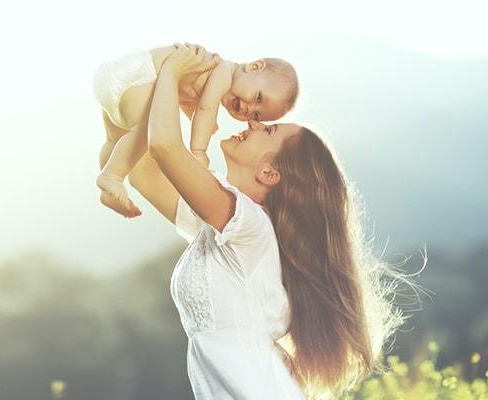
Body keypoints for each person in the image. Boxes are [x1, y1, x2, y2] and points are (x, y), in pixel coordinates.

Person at [125, 43, 412, 399]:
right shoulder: (225, 230)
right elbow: (141, 173)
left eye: (269, 131)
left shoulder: (248, 225)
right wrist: (159, 97)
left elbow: (165, 148)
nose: (254, 122)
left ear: (268, 172)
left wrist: (169, 71)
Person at [92, 43, 299, 218]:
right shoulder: (222, 72)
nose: (249, 109)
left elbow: (187, 101)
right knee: (146, 128)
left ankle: (107, 183)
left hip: (117, 77)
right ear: (255, 67)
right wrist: (199, 150)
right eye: (258, 98)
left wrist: (196, 120)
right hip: (136, 77)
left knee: (114, 139)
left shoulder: (207, 72)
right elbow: (205, 109)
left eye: (256, 116)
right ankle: (112, 177)